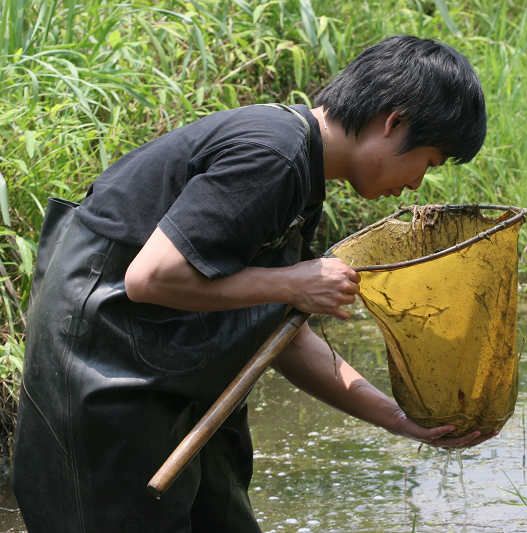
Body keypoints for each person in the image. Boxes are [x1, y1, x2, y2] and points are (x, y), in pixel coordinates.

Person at [12, 35, 488, 532]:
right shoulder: (273, 154)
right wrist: (289, 282)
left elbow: (279, 334)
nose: (416, 184)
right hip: (102, 373)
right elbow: (150, 277)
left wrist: (397, 419)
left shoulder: (300, 171)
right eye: (428, 162)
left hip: (167, 371)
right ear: (394, 123)